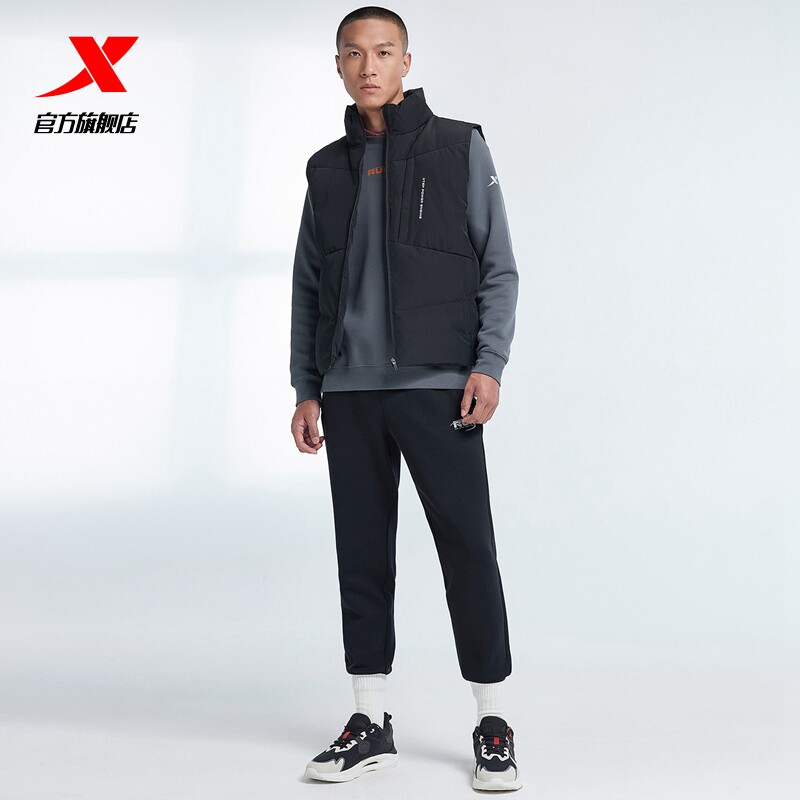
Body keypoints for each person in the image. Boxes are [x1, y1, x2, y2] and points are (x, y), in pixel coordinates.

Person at [289, 6, 521, 791]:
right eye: (354, 54)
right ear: (338, 65)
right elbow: (308, 286)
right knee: (362, 555)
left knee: (468, 549)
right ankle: (369, 720)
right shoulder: (326, 168)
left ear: (406, 62)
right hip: (349, 393)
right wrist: (307, 386)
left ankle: (492, 720)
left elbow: (499, 266)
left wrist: (488, 365)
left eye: (383, 52)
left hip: (437, 389)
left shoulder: (459, 146)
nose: (369, 66)